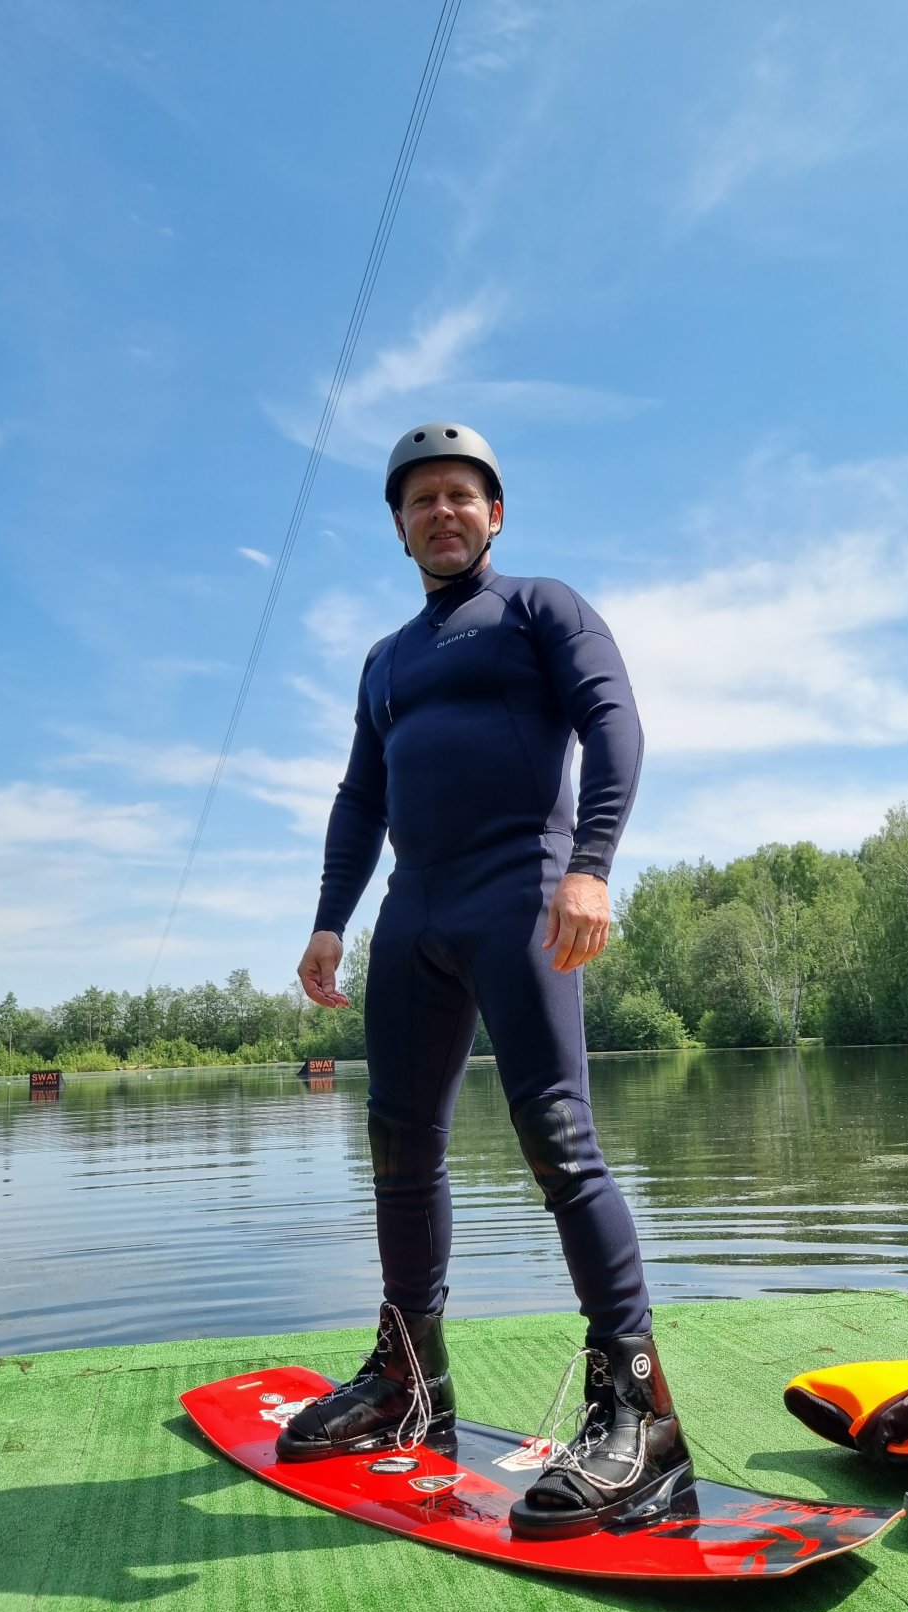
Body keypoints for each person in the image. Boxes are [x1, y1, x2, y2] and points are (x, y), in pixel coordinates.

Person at [278, 422, 692, 1538]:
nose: (443, 512)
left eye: (461, 494)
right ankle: (409, 1382)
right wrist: (330, 920)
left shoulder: (540, 608)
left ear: (494, 513)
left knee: (557, 1135)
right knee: (398, 1146)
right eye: (421, 500)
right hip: (413, 912)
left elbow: (613, 722)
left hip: (521, 892)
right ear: (399, 527)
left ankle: (641, 1419)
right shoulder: (384, 660)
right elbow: (360, 798)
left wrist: (591, 866)